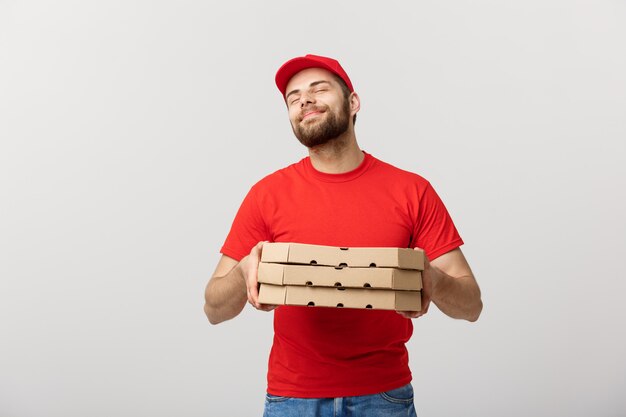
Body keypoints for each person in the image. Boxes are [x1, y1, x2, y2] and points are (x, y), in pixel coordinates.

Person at [204, 54, 483, 417]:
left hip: (385, 398)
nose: (304, 99)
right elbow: (213, 308)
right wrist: (243, 273)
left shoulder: (412, 190)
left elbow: (472, 305)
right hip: (293, 400)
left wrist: (431, 279)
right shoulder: (266, 195)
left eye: (318, 89)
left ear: (353, 103)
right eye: (293, 97)